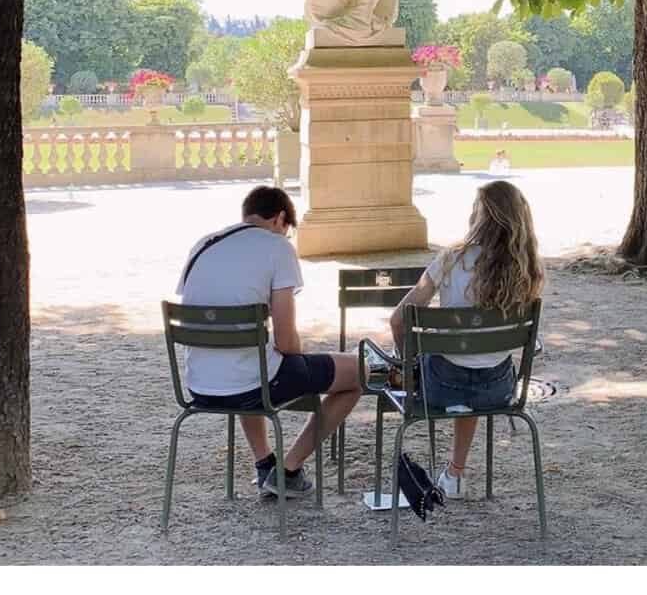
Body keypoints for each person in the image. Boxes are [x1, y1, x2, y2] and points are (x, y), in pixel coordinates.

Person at [174, 186, 362, 498]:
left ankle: (264, 464)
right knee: (356, 373)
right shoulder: (277, 247)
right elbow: (287, 341)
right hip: (251, 384)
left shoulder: (204, 244)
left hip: (199, 385)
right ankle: (288, 469)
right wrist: (299, 358)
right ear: (280, 219)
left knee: (250, 356)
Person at [388, 179, 545, 500]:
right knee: (478, 361)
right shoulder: (527, 269)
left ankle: (453, 474)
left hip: (441, 386)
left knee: (451, 362)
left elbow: (398, 319)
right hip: (498, 390)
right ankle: (454, 474)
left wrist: (405, 363)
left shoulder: (451, 259)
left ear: (479, 216)